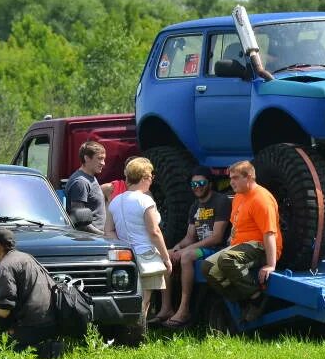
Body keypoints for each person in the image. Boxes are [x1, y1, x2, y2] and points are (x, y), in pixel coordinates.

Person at [202, 160, 281, 322]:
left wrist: (271, 264)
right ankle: (244, 300)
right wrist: (230, 244)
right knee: (208, 267)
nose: (231, 182)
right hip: (241, 246)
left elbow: (270, 233)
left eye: (236, 178)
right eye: (231, 178)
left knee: (227, 259)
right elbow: (236, 225)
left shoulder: (261, 199)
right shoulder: (238, 197)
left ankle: (257, 298)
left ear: (249, 177)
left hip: (261, 247)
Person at [156, 165, 231, 328]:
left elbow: (217, 237)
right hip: (201, 248)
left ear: (210, 183)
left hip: (218, 249)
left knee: (187, 256)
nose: (197, 188)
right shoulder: (195, 206)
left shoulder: (221, 201)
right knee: (166, 256)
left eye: (201, 183)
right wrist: (175, 248)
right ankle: (166, 308)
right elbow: (190, 237)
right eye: (194, 185)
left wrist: (185, 250)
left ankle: (184, 310)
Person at [0, 228, 62, 359]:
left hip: (30, 325)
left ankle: (36, 350)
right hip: (51, 321)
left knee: (3, 350)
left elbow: (4, 312)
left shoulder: (4, 267)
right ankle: (47, 346)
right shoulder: (26, 257)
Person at [104, 157, 173, 323]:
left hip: (125, 256)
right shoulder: (146, 200)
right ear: (143, 178)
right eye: (150, 177)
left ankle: (126, 330)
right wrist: (166, 258)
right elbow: (154, 231)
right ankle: (136, 334)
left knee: (128, 296)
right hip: (146, 255)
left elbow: (108, 231)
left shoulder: (115, 201)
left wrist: (126, 245)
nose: (151, 180)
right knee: (144, 300)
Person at [65, 141, 107, 234]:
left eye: (104, 159)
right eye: (100, 159)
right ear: (87, 158)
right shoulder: (81, 182)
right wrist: (102, 235)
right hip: (90, 239)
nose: (103, 163)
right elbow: (80, 221)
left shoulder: (90, 177)